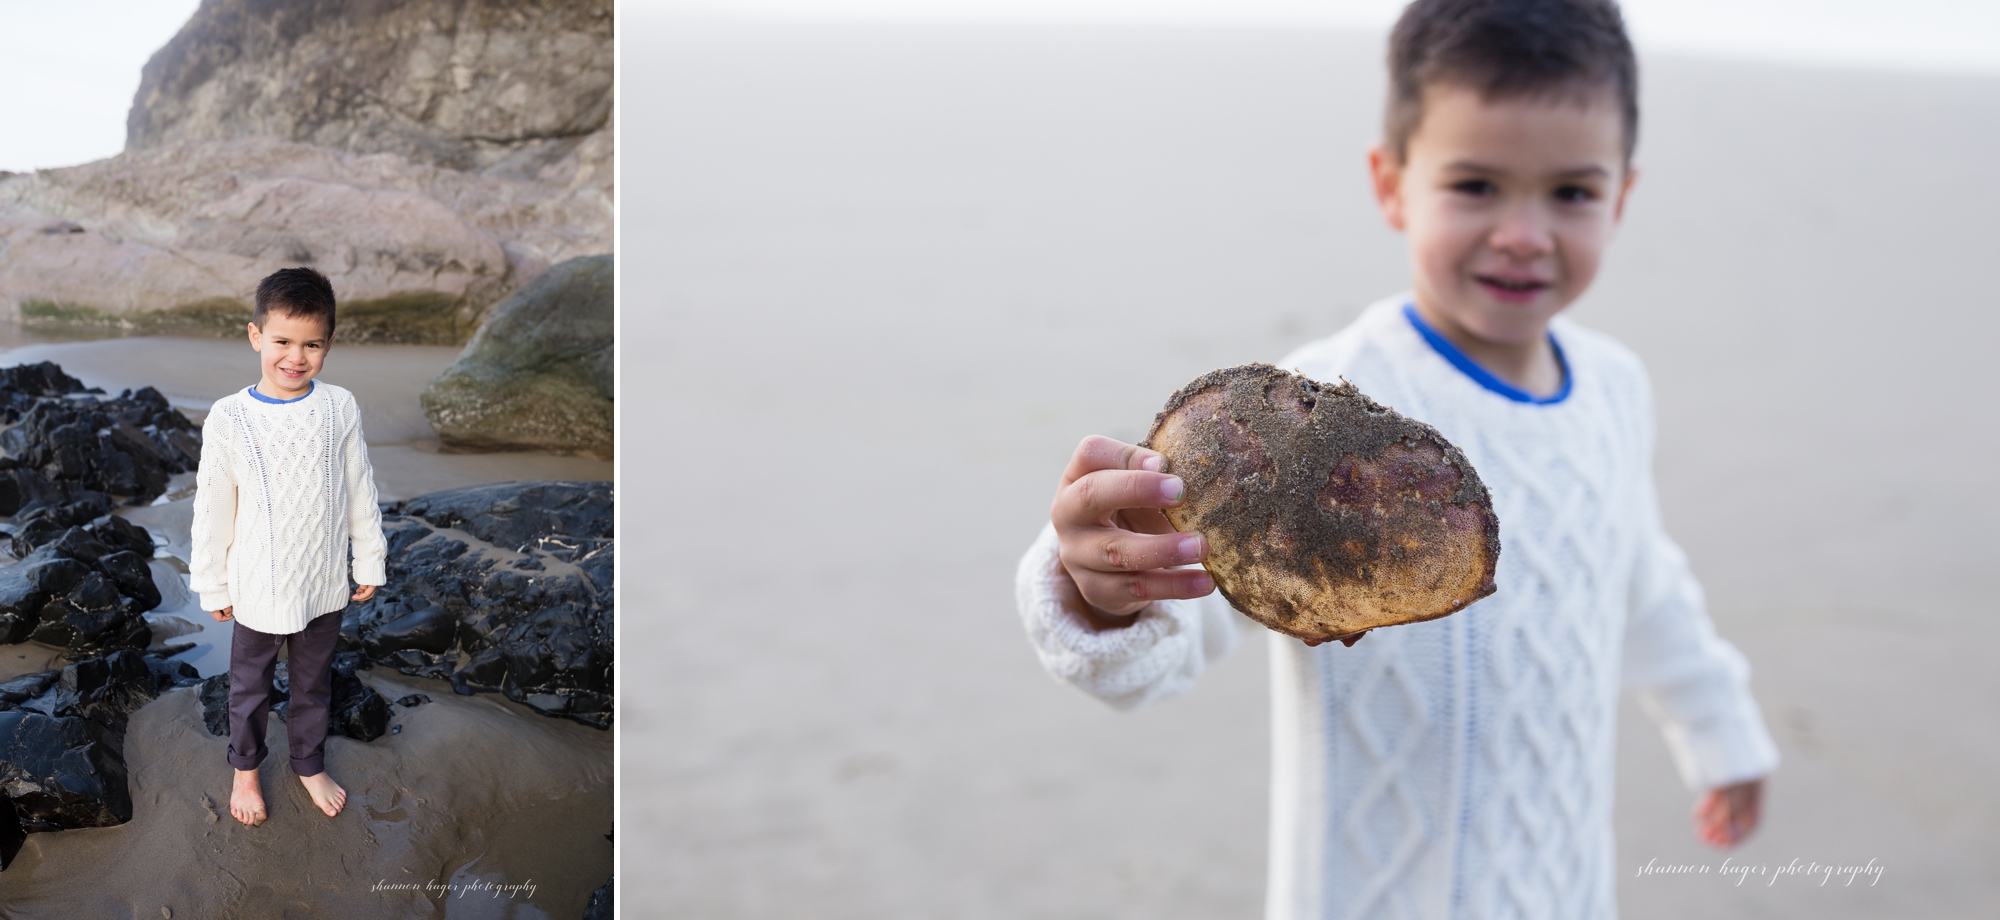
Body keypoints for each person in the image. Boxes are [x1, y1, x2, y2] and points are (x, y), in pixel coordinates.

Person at [1013, 0, 1778, 915]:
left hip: (1563, 884)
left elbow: (1641, 579)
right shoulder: (1305, 412)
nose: (1525, 233)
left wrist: (1719, 727)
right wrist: (1103, 593)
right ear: (1392, 184)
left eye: (1570, 192)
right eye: (1476, 186)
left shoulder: (1617, 388)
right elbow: (1181, 623)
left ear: (1621, 196)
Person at [190, 266, 388, 827]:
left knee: (312, 686)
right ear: (256, 336)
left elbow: (359, 490)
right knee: (249, 690)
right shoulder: (230, 417)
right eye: (281, 341)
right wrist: (212, 581)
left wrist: (368, 557)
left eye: (311, 344)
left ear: (328, 344)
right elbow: (213, 506)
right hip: (256, 586)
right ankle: (246, 771)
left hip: (324, 584)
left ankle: (308, 763)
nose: (295, 357)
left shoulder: (338, 407)